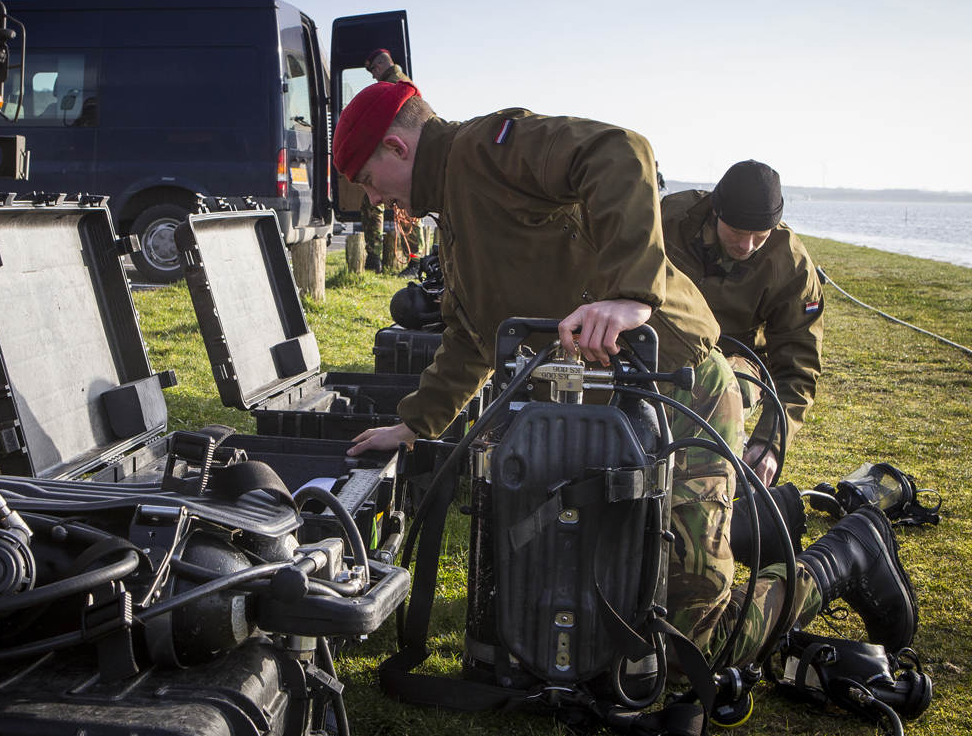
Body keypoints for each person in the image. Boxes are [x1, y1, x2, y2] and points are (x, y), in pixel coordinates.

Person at [337, 80, 917, 667]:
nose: (373, 198)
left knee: (693, 642)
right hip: (610, 415)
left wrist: (631, 292)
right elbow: (471, 338)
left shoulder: (486, 149)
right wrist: (414, 425)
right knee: (613, 607)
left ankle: (846, 555)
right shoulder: (455, 211)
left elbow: (620, 151)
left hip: (682, 391)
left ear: (397, 147)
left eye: (367, 179)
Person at [661, 161, 823, 486]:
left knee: (714, 392)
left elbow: (798, 369)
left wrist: (770, 443)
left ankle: (708, 494)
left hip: (738, 361)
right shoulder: (669, 219)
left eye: (760, 236)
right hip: (659, 345)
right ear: (716, 211)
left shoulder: (792, 266)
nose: (746, 246)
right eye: (736, 232)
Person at [359, 49, 420, 274]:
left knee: (406, 207)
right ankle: (378, 258)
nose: (374, 77)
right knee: (375, 203)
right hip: (400, 155)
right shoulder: (398, 83)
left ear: (379, 66)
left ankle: (414, 261)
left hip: (403, 156)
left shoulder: (396, 86)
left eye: (373, 71)